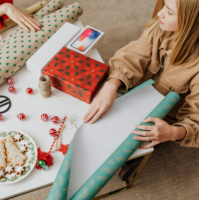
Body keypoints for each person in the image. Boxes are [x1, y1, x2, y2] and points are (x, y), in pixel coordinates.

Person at [83, 0, 199, 180]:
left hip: (164, 116)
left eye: (168, 11)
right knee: (96, 111)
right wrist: (112, 83)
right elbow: (134, 54)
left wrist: (172, 132)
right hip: (135, 91)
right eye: (163, 6)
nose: (159, 14)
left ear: (191, 22)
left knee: (120, 146)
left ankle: (133, 160)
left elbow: (196, 120)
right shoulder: (160, 26)